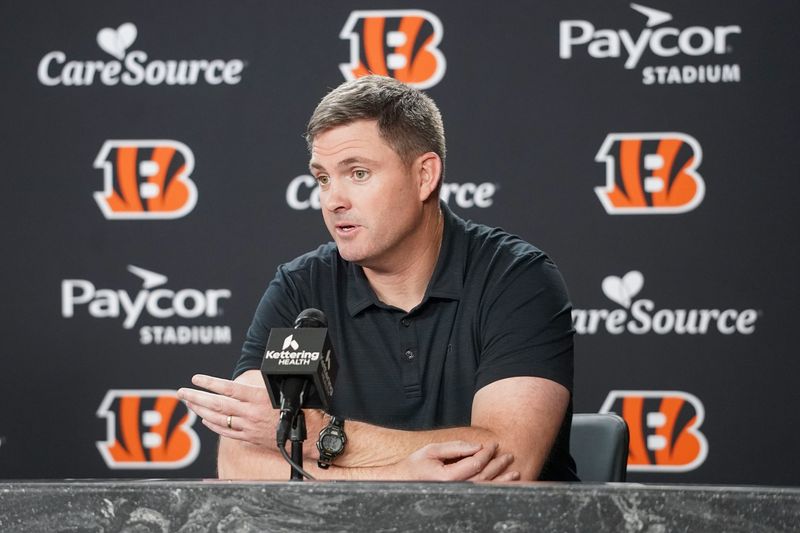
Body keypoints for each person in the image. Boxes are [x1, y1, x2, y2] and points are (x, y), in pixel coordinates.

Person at [178, 75, 577, 482]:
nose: (334, 200)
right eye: (323, 178)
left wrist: (321, 435)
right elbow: (240, 461)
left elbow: (506, 461)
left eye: (358, 173)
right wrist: (396, 477)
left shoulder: (516, 278)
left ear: (424, 176)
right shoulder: (302, 288)